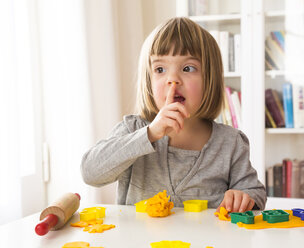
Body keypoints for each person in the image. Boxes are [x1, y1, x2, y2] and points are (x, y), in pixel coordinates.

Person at [81, 17, 266, 212]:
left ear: (210, 78)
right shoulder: (132, 130)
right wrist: (149, 134)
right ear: (148, 80)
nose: (173, 80)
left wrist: (244, 197)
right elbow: (90, 173)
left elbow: (254, 192)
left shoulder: (231, 142)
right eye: (160, 69)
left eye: (188, 68)